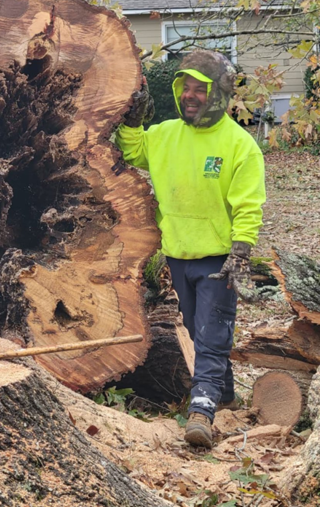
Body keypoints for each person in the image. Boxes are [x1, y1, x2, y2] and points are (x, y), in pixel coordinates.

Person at [113, 50, 265, 448]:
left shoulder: (239, 145)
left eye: (201, 89)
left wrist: (241, 252)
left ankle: (202, 411)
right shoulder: (164, 135)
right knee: (200, 333)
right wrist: (132, 121)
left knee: (212, 333)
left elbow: (249, 206)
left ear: (220, 94)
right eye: (186, 88)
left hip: (219, 259)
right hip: (179, 254)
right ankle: (226, 394)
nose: (191, 96)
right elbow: (134, 151)